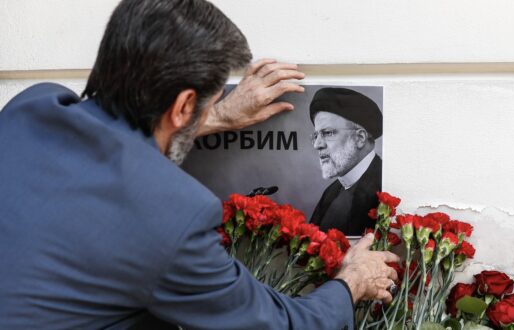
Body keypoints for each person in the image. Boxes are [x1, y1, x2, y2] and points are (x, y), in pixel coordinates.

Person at [0, 1, 399, 329]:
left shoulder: (32, 108)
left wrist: (218, 118)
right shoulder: (174, 215)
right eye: (207, 103)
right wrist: (352, 283)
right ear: (183, 107)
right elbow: (273, 326)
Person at [309, 87, 383, 236]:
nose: (317, 144)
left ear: (360, 138)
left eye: (328, 133)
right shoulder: (330, 193)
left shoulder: (384, 185)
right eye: (316, 136)